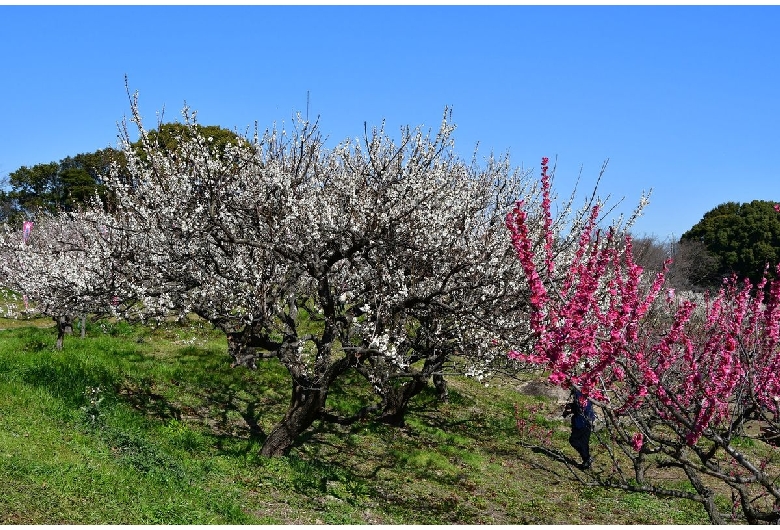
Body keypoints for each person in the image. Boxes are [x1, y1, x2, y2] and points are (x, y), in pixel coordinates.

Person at [563, 388, 596, 469]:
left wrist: (571, 408)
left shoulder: (579, 394)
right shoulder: (587, 392)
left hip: (581, 423)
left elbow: (581, 408)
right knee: (584, 443)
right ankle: (586, 462)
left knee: (573, 440)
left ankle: (587, 458)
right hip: (588, 421)